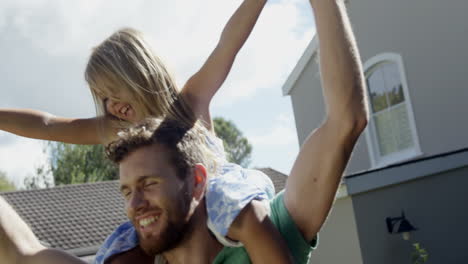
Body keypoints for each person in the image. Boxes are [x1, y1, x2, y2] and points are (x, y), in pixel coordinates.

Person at [0, 0, 369, 262]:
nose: (112, 105)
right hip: (179, 227)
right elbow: (47, 123)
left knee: (242, 211)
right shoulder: (116, 130)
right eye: (103, 98)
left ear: (140, 74)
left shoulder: (189, 101)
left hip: (221, 200)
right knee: (119, 250)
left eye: (115, 91)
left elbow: (229, 43)